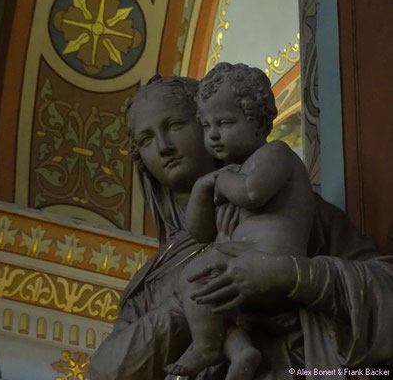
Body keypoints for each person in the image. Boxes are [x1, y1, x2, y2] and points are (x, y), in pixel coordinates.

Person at [89, 75, 393, 380]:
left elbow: (386, 290)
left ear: (208, 124)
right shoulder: (153, 280)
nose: (163, 147)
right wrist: (190, 302)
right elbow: (107, 371)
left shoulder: (287, 205)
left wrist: (291, 275)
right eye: (146, 139)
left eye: (175, 125)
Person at [166, 63, 315, 377]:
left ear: (258, 123)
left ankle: (207, 348)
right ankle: (241, 351)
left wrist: (218, 179)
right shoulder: (229, 174)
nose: (215, 135)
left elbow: (252, 193)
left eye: (225, 122)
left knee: (195, 278)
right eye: (206, 127)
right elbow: (199, 230)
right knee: (197, 289)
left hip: (271, 261)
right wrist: (202, 186)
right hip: (240, 260)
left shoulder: (275, 154)